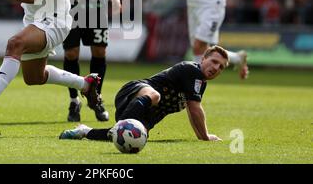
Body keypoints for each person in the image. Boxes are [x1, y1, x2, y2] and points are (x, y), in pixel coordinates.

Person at [59, 45, 228, 142]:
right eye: (214, 62)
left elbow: (192, 112)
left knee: (130, 137)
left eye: (221, 67)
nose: (216, 68)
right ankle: (116, 127)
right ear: (203, 59)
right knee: (155, 95)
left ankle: (84, 131)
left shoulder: (200, 85)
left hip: (143, 114)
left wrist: (201, 137)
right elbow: (194, 108)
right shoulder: (192, 71)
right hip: (135, 90)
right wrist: (205, 136)